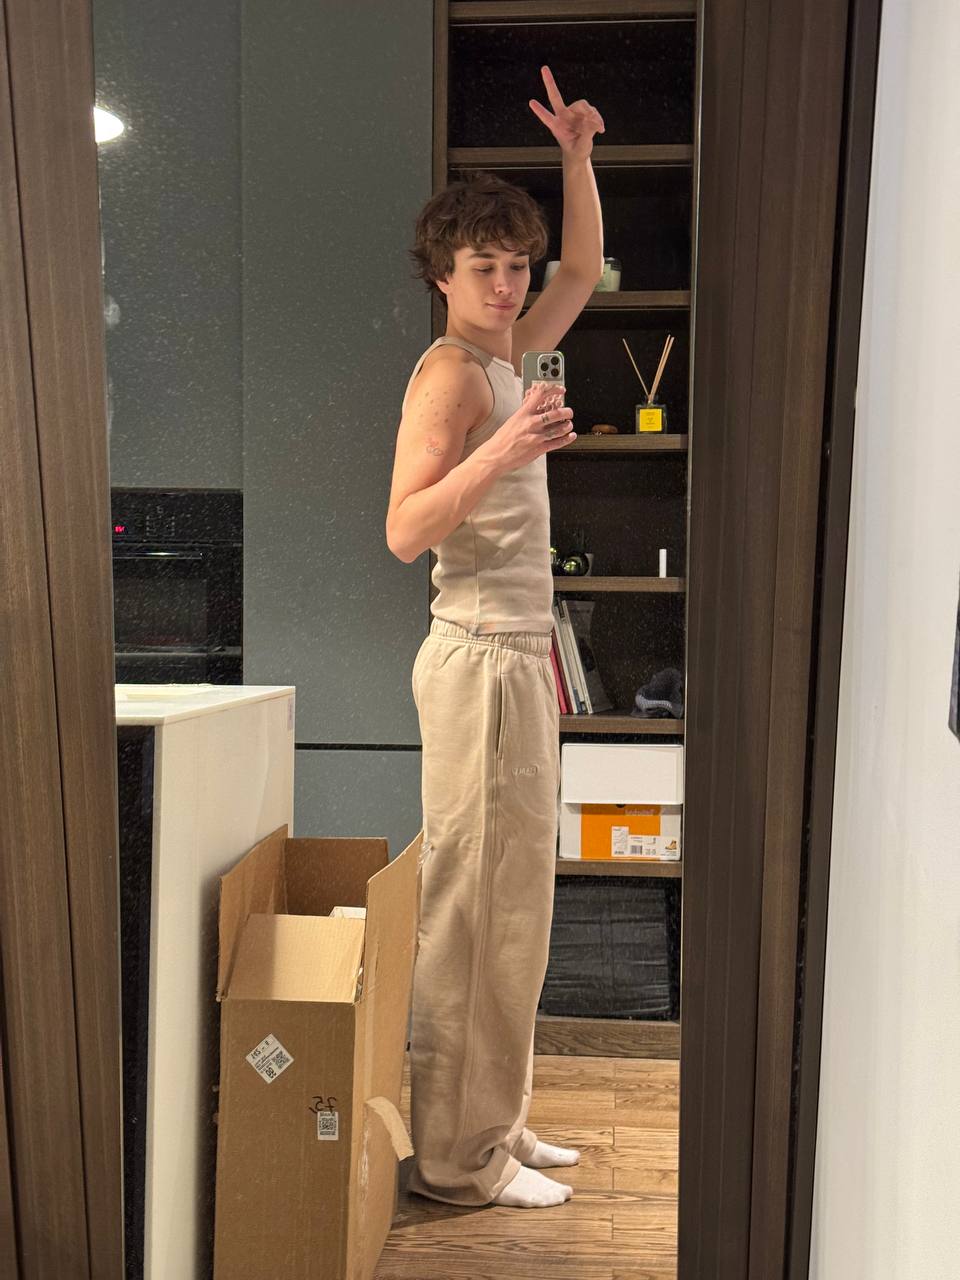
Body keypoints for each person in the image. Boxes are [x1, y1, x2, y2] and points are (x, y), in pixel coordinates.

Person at [385, 66, 605, 1209]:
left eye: (515, 264)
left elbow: (583, 269)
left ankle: (496, 1122)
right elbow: (403, 528)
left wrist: (576, 160)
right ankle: (455, 1157)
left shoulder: (507, 349)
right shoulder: (451, 376)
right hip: (476, 656)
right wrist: (504, 451)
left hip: (517, 657)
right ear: (443, 274)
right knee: (471, 911)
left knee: (515, 907)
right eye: (486, 266)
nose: (511, 283)